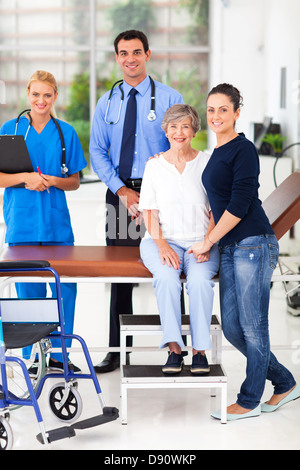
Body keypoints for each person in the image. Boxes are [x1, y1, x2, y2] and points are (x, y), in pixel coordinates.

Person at [188, 83, 299, 419]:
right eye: (211, 110)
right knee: (234, 327)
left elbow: (237, 206)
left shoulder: (244, 149)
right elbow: (215, 209)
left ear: (237, 112)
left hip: (254, 242)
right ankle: (285, 382)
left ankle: (249, 401)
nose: (216, 116)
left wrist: (207, 242)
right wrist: (212, 238)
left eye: (223, 109)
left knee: (253, 326)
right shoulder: (215, 153)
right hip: (231, 246)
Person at [90, 30, 184, 373]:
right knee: (120, 272)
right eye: (123, 52)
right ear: (117, 57)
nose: (130, 58)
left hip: (162, 194)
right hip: (119, 196)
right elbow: (97, 151)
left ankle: (178, 347)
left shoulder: (171, 98)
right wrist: (121, 189)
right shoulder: (107, 102)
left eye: (136, 52)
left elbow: (181, 147)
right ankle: (117, 351)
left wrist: (154, 189)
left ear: (147, 54)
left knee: (174, 263)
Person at [0, 70, 87, 372]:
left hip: (56, 227)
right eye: (36, 94)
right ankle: (32, 357)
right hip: (21, 225)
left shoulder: (66, 132)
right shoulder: (9, 129)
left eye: (47, 95)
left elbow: (74, 181)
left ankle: (60, 355)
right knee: (29, 293)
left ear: (55, 97)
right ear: (28, 94)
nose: (41, 100)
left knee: (66, 288)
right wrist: (25, 178)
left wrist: (52, 180)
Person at [138, 104, 219, 374]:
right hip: (161, 240)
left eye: (185, 126)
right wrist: (161, 245)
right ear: (165, 130)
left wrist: (207, 242)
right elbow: (148, 210)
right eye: (173, 126)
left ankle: (199, 351)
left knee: (198, 281)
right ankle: (174, 349)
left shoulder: (207, 163)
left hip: (201, 241)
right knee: (167, 278)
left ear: (194, 130)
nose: (179, 132)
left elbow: (215, 211)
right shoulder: (154, 166)